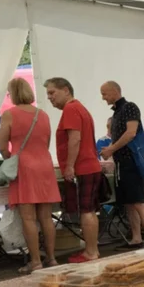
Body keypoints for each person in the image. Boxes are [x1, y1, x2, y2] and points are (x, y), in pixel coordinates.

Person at [0, 77, 60, 273]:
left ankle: (35, 261)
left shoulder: (9, 114)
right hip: (45, 165)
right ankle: (51, 258)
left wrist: (9, 159)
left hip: (24, 167)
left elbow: (2, 146)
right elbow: (46, 142)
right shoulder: (43, 115)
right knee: (46, 217)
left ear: (13, 94)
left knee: (28, 218)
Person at [46, 77, 102, 262]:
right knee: (89, 210)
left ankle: (90, 251)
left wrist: (69, 165)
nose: (49, 97)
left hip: (82, 167)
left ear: (66, 90)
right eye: (48, 94)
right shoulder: (79, 108)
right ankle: (92, 250)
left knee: (86, 210)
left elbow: (75, 139)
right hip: (90, 165)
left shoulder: (70, 109)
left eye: (52, 92)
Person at [99, 81, 144, 248]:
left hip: (132, 161)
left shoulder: (130, 107)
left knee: (138, 202)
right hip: (121, 163)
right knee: (129, 202)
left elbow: (131, 133)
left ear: (115, 91)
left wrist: (111, 149)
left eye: (105, 94)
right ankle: (136, 237)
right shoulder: (116, 113)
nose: (103, 98)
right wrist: (111, 149)